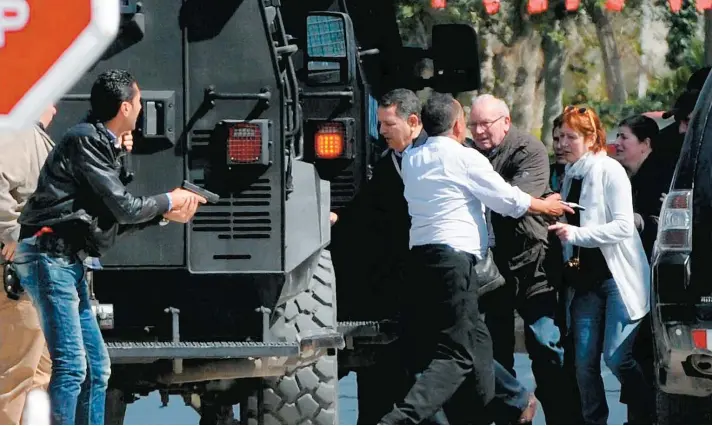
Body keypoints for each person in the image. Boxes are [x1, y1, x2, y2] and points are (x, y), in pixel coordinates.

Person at [11, 69, 207, 425]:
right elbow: (125, 207)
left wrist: (167, 215)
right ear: (124, 108)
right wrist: (169, 199)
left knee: (96, 367)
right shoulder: (84, 141)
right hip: (49, 256)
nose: (142, 106)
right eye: (137, 100)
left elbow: (107, 218)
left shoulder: (100, 145)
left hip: (69, 261)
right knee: (71, 367)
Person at [334, 88, 537, 425]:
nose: (381, 132)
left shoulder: (449, 154)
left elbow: (496, 201)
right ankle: (514, 402)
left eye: (388, 124)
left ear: (413, 122)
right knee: (465, 343)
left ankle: (502, 404)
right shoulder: (389, 164)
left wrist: (540, 204)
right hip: (416, 271)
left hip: (454, 265)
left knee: (453, 350)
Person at [378, 92, 572, 425]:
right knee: (456, 356)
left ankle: (515, 404)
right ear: (458, 126)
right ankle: (398, 421)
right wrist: (547, 206)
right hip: (455, 263)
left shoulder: (413, 159)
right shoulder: (464, 158)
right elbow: (507, 200)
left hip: (424, 263)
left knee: (479, 343)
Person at [469, 95, 574, 424]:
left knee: (546, 346)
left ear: (506, 121)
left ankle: (562, 418)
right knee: (495, 353)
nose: (480, 131)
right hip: (491, 271)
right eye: (474, 125)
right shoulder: (468, 154)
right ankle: (511, 415)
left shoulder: (528, 149)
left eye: (486, 123)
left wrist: (486, 193)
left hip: (532, 265)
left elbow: (509, 203)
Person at [549, 105, 651, 425]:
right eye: (560, 137)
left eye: (571, 137)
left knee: (617, 357)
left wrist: (578, 232)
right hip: (584, 281)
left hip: (616, 277)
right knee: (583, 364)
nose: (562, 143)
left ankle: (650, 410)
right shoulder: (571, 175)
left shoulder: (609, 170)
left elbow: (623, 226)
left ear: (591, 138)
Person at [0, 105, 57, 425]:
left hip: (36, 277)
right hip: (22, 278)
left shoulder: (28, 137)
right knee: (17, 377)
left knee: (35, 377)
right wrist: (12, 233)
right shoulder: (15, 137)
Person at [612, 114, 665, 424]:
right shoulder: (624, 176)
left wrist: (637, 222)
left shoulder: (659, 176)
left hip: (649, 278)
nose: (617, 143)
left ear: (645, 144)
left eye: (624, 138)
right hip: (631, 275)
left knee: (635, 354)